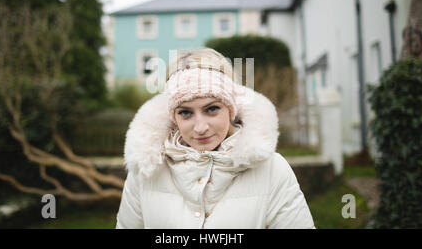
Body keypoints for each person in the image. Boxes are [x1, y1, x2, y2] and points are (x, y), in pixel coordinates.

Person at [116, 48, 315, 229]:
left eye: (212, 109)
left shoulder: (272, 169)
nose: (200, 128)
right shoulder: (145, 169)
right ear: (173, 116)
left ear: (230, 108)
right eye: (185, 113)